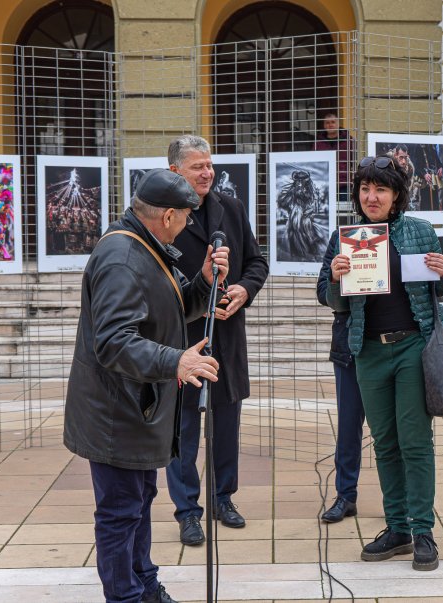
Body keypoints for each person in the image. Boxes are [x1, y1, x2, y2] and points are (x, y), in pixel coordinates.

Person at [63, 168, 229, 603]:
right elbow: (114, 342)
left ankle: (145, 586)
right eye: (186, 218)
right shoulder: (122, 257)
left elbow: (169, 308)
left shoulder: (144, 245)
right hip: (116, 414)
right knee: (120, 512)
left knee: (137, 502)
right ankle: (126, 597)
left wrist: (204, 282)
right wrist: (178, 360)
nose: (189, 225)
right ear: (168, 216)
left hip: (136, 408)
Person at [326, 155, 443, 571]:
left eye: (380, 189)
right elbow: (332, 302)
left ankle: (423, 530)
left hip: (414, 347)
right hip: (368, 351)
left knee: (415, 440)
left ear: (397, 194)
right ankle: (398, 528)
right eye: (365, 188)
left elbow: (442, 289)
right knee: (384, 443)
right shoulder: (346, 238)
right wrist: (334, 278)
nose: (371, 196)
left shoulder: (420, 231)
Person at [165, 135, 269, 546]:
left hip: (228, 340)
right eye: (197, 167)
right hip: (183, 341)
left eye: (209, 165)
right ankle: (188, 511)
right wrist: (196, 299)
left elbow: (257, 262)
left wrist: (244, 289)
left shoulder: (232, 208)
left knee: (227, 426)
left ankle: (223, 498)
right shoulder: (164, 214)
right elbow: (156, 278)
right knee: (183, 430)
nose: (207, 172)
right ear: (175, 171)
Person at [316, 228, 365, 523]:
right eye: (365, 204)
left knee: (397, 430)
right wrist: (334, 279)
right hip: (349, 348)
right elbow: (323, 293)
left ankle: (401, 501)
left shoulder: (408, 233)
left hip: (393, 347)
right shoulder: (342, 238)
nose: (372, 203)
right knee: (348, 426)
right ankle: (346, 495)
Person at [314, 111, 356, 219]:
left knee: (345, 215)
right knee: (324, 214)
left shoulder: (349, 141)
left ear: (338, 124)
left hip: (344, 185)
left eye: (333, 122)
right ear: (324, 125)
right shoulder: (318, 143)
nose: (330, 125)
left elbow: (355, 161)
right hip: (324, 185)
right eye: (327, 123)